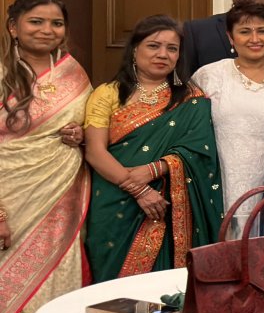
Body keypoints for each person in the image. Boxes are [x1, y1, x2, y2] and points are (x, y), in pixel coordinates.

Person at [0, 0, 89, 313]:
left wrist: (78, 133)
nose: (47, 30)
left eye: (56, 23)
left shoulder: (73, 72)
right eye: (36, 22)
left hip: (59, 199)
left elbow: (89, 127)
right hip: (10, 200)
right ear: (13, 26)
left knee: (53, 290)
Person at [83, 15, 222, 282]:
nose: (163, 54)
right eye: (153, 46)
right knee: (113, 291)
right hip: (115, 200)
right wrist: (139, 189)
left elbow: (201, 152)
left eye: (172, 48)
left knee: (164, 291)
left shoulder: (192, 98)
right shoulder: (108, 94)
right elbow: (95, 152)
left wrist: (156, 168)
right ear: (135, 50)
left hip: (169, 203)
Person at [189, 1, 264, 239]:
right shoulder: (208, 76)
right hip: (215, 188)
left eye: (262, 30)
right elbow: (189, 132)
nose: (255, 38)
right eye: (244, 31)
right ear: (231, 38)